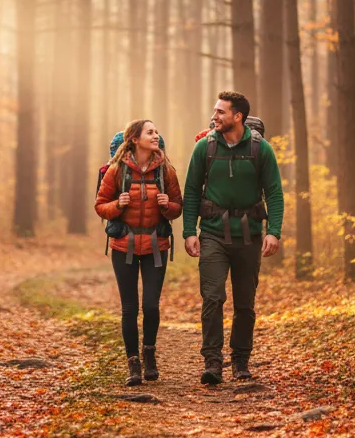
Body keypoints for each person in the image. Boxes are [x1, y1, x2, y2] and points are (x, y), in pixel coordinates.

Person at [182, 91, 283, 384]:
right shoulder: (204, 147)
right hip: (213, 232)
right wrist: (190, 231)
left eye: (221, 112)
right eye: (215, 111)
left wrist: (274, 232)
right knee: (212, 297)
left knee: (245, 304)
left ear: (237, 117)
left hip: (249, 235)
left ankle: (240, 361)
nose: (215, 116)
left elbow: (275, 193)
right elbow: (191, 191)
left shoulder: (261, 149)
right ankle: (213, 362)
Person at [95, 119, 183, 387]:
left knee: (151, 306)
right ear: (134, 138)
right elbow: (100, 206)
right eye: (150, 132)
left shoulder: (165, 169)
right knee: (130, 308)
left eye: (156, 131)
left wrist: (168, 206)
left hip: (156, 244)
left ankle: (150, 354)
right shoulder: (116, 170)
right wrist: (117, 206)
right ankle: (133, 363)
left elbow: (178, 207)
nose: (156, 136)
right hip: (124, 246)